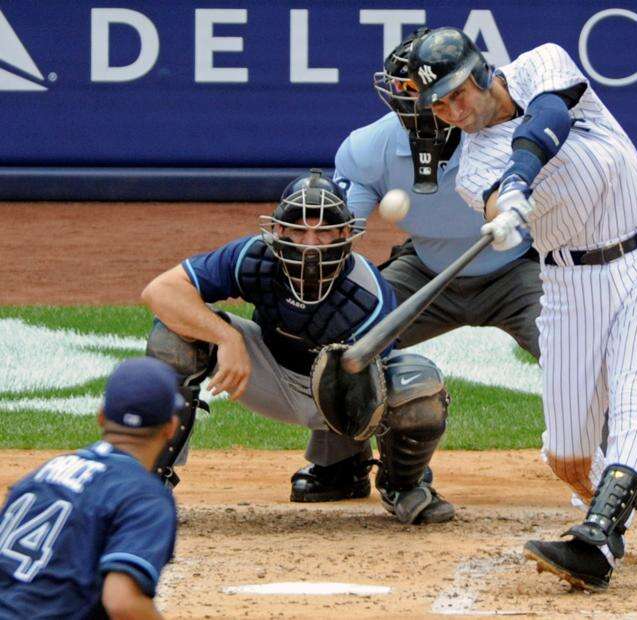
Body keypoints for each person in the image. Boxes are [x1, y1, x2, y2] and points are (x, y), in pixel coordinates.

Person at [407, 28, 637, 590]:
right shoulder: (471, 166)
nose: (452, 110)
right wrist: (501, 210)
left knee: (633, 395)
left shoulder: (541, 65)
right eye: (438, 104)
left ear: (482, 73)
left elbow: (548, 118)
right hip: (569, 285)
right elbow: (489, 201)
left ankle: (599, 536)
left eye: (458, 93)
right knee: (566, 454)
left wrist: (517, 182)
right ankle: (616, 492)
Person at [290, 27, 544, 505]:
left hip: (517, 269)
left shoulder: (513, 133)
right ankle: (339, 464)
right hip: (426, 268)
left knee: (575, 341)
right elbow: (345, 226)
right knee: (352, 339)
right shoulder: (370, 147)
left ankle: (616, 465)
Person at [141, 169, 454, 524]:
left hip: (345, 399)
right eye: (299, 230)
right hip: (266, 374)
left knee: (417, 383)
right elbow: (160, 291)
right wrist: (226, 337)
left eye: (322, 233)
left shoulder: (368, 294)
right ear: (278, 231)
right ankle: (149, 483)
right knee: (174, 335)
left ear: (344, 234)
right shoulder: (252, 258)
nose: (309, 243)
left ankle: (399, 483)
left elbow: (365, 395)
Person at [0, 357, 181, 619]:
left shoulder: (43, 474)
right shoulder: (145, 497)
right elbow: (123, 602)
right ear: (171, 428)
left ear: (101, 416)